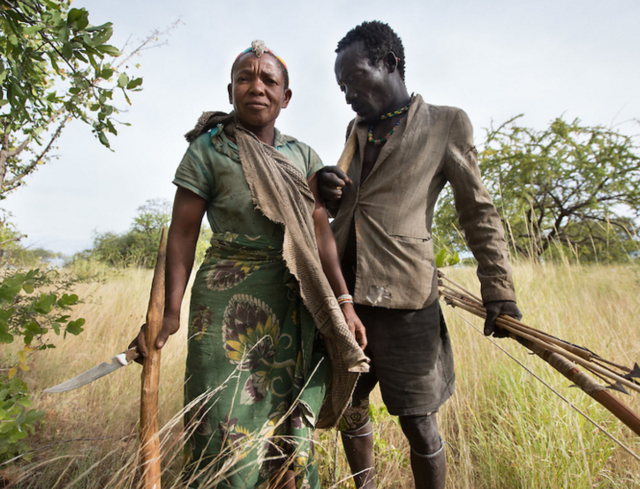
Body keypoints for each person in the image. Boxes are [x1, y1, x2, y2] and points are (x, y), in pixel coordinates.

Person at [132, 40, 368, 489]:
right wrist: (170, 312)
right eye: (245, 78)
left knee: (287, 423)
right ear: (230, 90)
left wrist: (343, 302)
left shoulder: (302, 157)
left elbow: (320, 235)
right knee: (219, 417)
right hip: (222, 305)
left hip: (294, 300)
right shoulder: (208, 150)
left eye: (268, 80)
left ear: (286, 96)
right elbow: (183, 233)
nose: (256, 87)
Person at [319, 22, 523, 489]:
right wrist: (329, 190)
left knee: (418, 421)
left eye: (354, 80)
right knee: (349, 407)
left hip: (407, 300)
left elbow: (479, 213)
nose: (348, 95)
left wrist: (499, 291)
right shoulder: (357, 129)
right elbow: (355, 205)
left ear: (389, 63)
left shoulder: (446, 123)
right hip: (345, 295)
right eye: (342, 87)